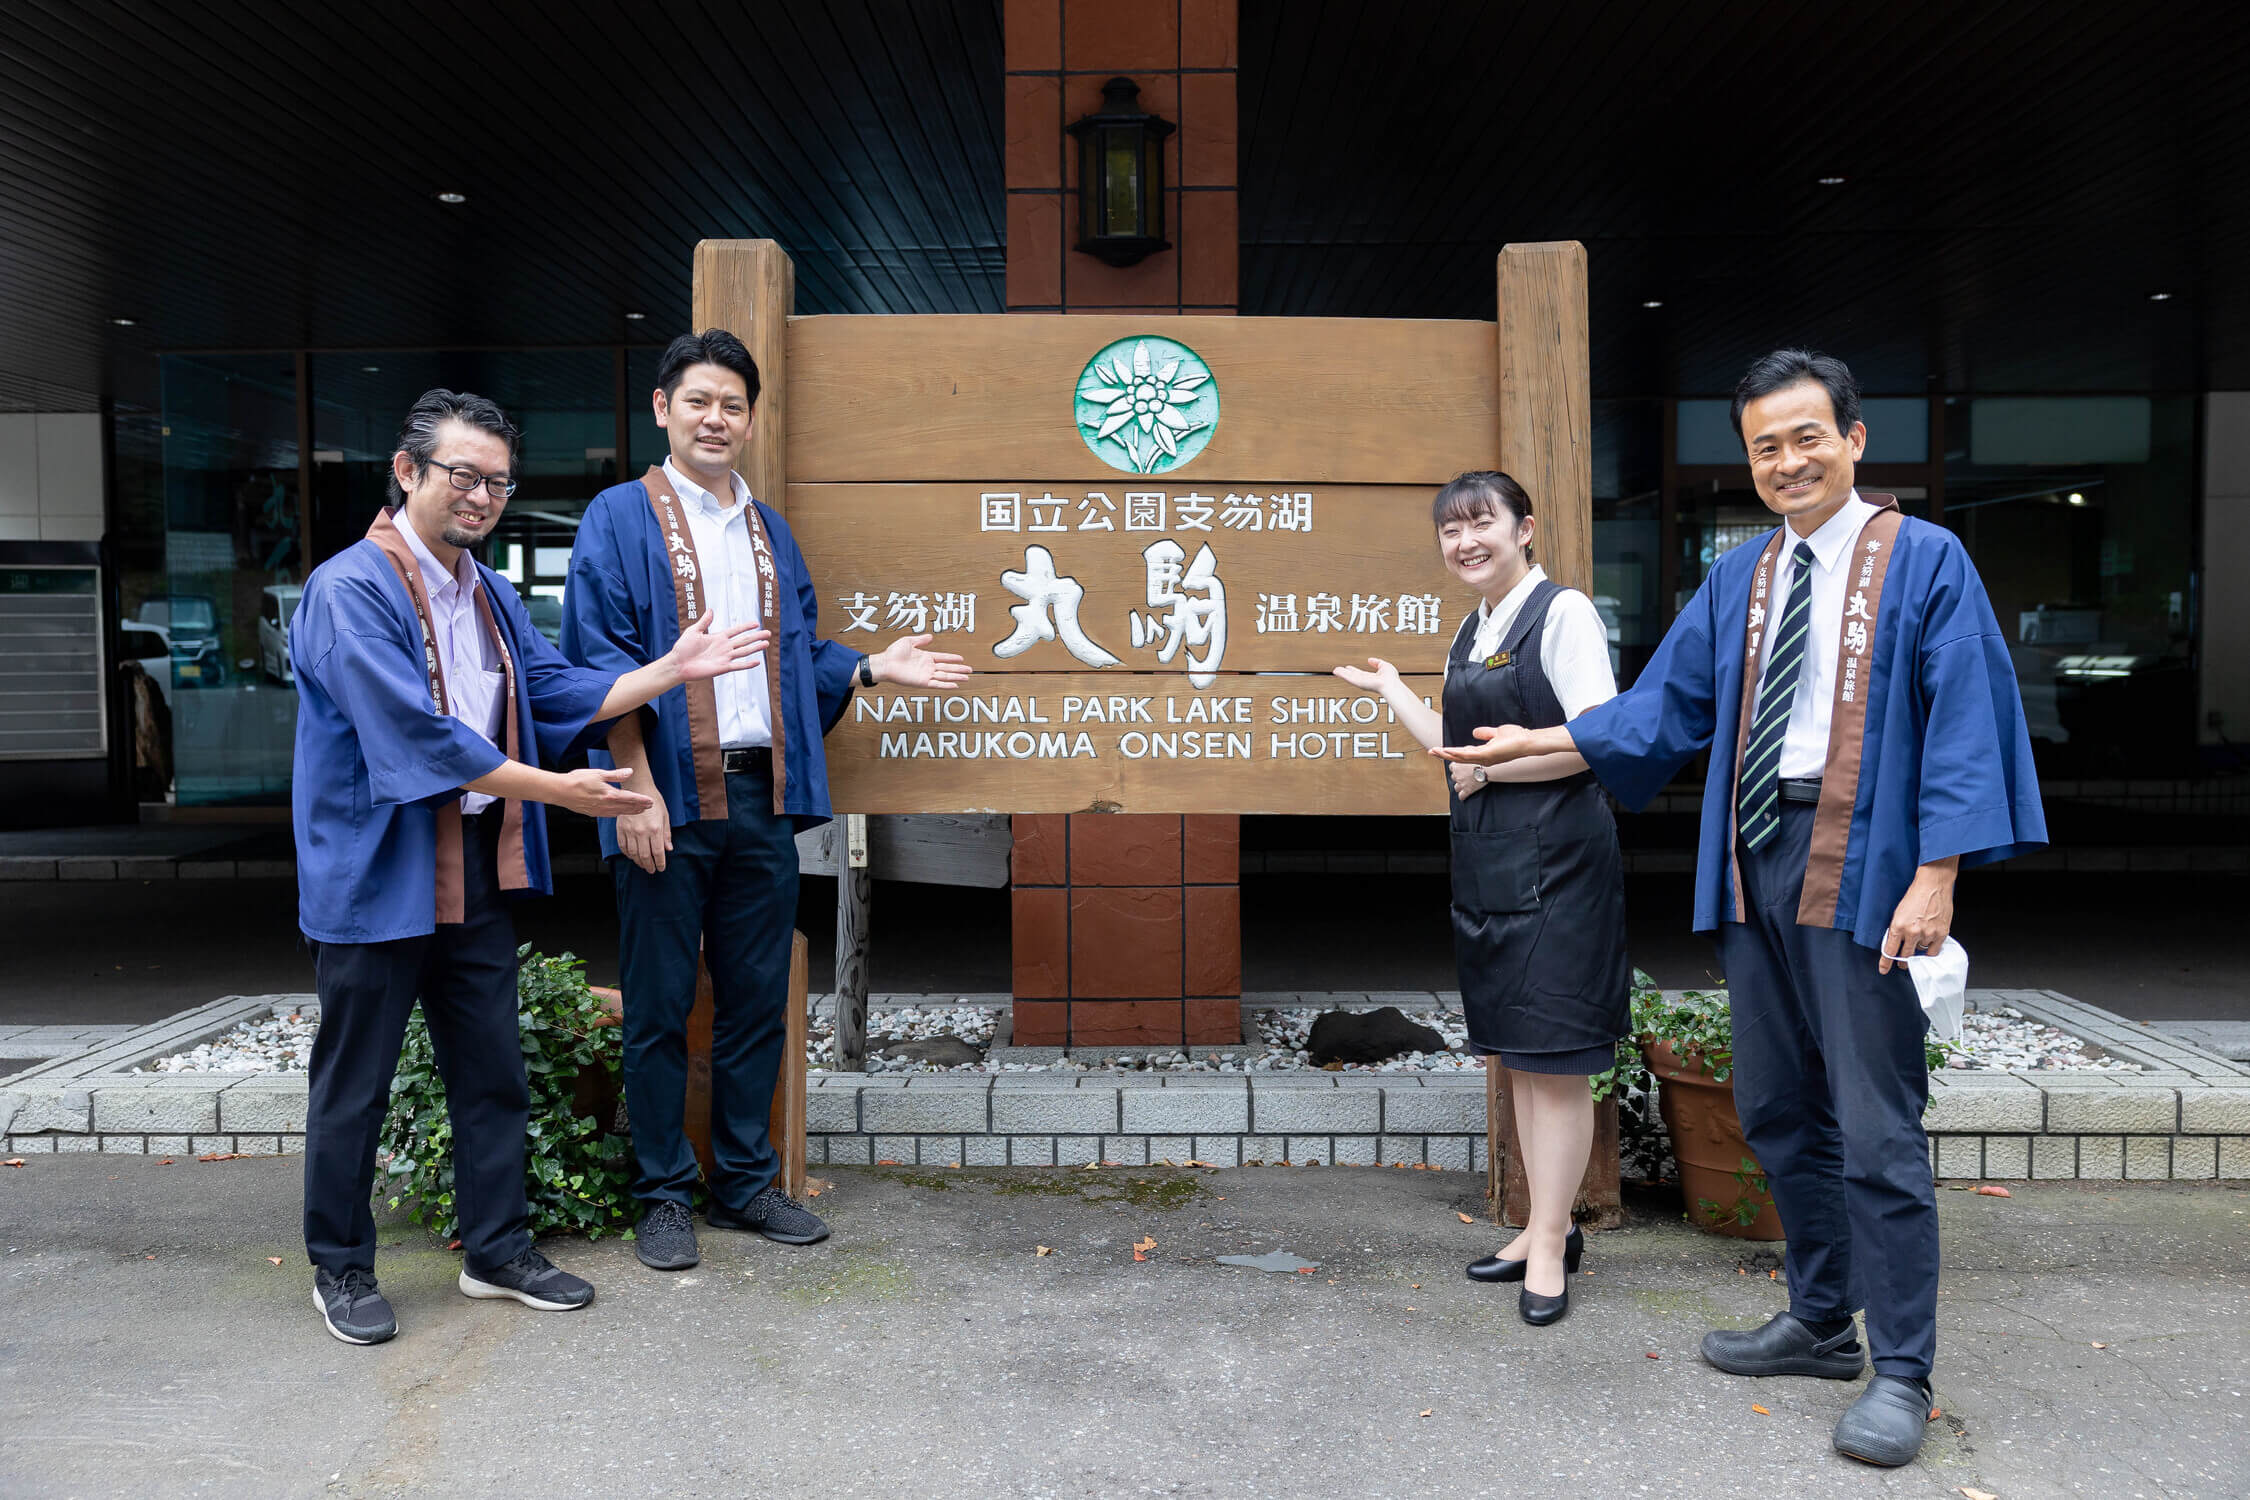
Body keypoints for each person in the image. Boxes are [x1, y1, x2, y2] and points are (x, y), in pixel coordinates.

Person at [1438, 351, 2046, 1466]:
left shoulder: (1927, 562)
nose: (1787, 461)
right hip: (1759, 854)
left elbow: (1965, 718)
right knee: (1774, 1110)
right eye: (1766, 445)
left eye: (1807, 437)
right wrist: (1549, 740)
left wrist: (1939, 873)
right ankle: (1820, 1321)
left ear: (1855, 440)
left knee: (1875, 1126)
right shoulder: (1743, 576)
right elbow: (1665, 707)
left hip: (1868, 858)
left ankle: (1902, 1370)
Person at [292, 389, 767, 1346]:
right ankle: (340, 1270)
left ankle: (495, 1251)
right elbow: (418, 738)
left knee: (492, 1071)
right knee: (356, 1084)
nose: (481, 497)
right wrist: (561, 793)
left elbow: (551, 685)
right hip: (375, 866)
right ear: (409, 471)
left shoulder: (489, 589)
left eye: (498, 482)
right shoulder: (349, 589)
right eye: (464, 476)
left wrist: (671, 671)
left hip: (468, 859)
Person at [561, 329, 970, 1272]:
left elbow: (795, 655)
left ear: (751, 419)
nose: (717, 418)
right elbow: (602, 663)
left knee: (754, 1003)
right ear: (663, 409)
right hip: (667, 793)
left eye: (733, 405)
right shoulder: (620, 519)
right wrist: (637, 795)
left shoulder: (767, 530)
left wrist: (870, 667)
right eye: (698, 400)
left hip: (762, 796)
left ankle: (743, 1185)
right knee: (660, 1004)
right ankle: (661, 1191)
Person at [1335, 470, 1627, 1327]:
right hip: (1494, 867)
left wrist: (1490, 764)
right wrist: (1392, 689)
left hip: (1561, 865)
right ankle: (1545, 1225)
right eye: (1451, 530)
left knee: (1559, 1062)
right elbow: (1456, 752)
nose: (1466, 542)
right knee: (1521, 1057)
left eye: (1482, 524)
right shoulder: (1474, 625)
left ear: (1524, 528)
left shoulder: (1562, 612)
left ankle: (1549, 1242)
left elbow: (1594, 738)